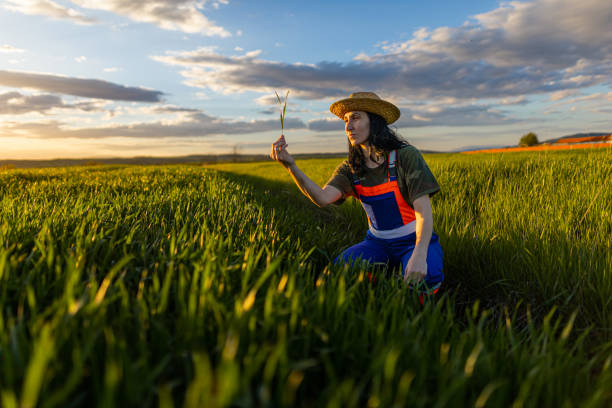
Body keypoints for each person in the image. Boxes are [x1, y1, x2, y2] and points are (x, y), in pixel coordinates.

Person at [270, 92, 443, 302]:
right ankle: (384, 277)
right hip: (377, 243)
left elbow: (423, 211)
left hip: (413, 240)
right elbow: (323, 198)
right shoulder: (351, 169)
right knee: (340, 270)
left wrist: (419, 254)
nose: (348, 126)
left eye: (356, 117)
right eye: (346, 120)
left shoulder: (405, 156)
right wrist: (291, 167)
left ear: (375, 120)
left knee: (425, 277)